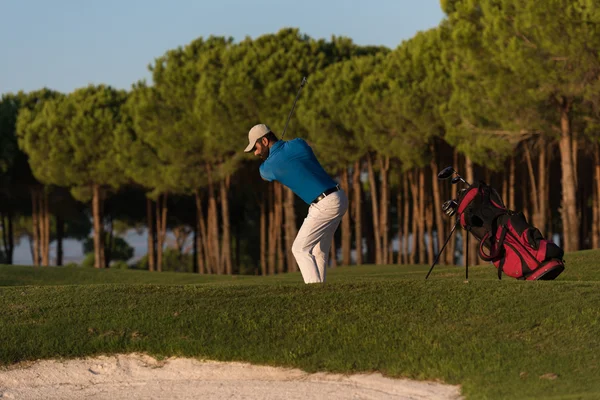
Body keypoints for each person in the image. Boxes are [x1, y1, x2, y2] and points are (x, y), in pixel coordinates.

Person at [244, 123, 348, 284]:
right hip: (339, 197)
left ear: (264, 141)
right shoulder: (298, 143)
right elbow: (298, 146)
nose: (255, 153)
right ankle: (321, 292)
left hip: (325, 204)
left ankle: (314, 294)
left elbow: (265, 175)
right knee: (318, 251)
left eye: (255, 148)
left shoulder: (267, 168)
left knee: (300, 249)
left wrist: (276, 155)